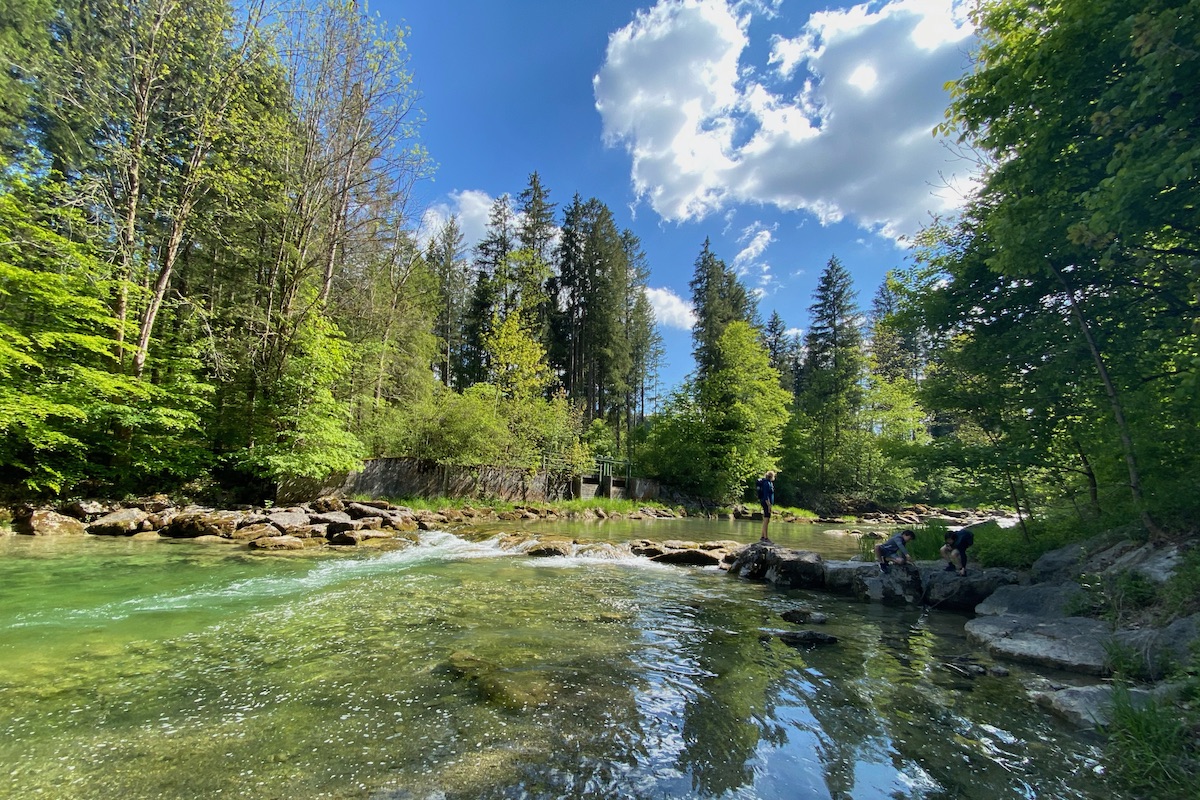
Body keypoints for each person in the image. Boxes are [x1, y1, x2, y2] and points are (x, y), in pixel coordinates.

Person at [756, 470, 776, 542]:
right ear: (772, 476)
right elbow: (766, 495)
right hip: (766, 503)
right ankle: (766, 537)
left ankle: (762, 536)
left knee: (766, 519)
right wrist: (769, 505)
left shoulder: (768, 483)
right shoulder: (767, 483)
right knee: (766, 520)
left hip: (766, 502)